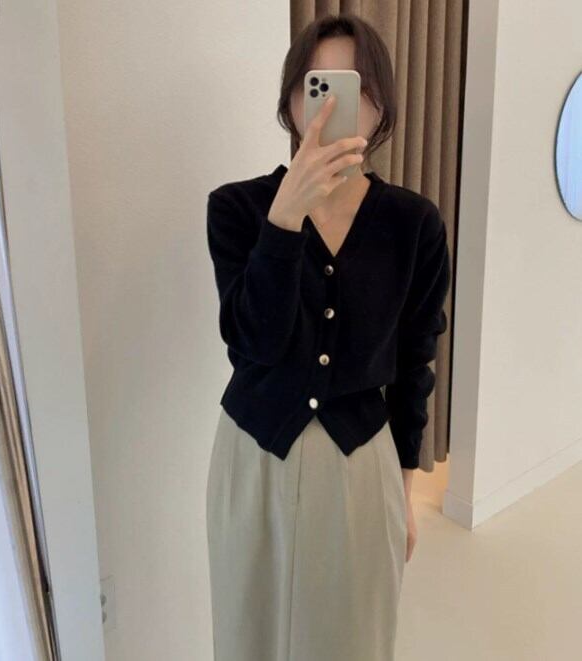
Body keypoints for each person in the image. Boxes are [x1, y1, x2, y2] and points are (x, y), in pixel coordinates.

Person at [205, 13, 451, 661]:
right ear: (292, 99)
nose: (337, 105)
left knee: (352, 638)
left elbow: (415, 362)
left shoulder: (414, 224)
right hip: (254, 456)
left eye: (356, 86)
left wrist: (405, 493)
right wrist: (285, 218)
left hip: (360, 463)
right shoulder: (236, 209)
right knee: (250, 633)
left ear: (380, 105)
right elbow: (252, 343)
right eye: (319, 85)